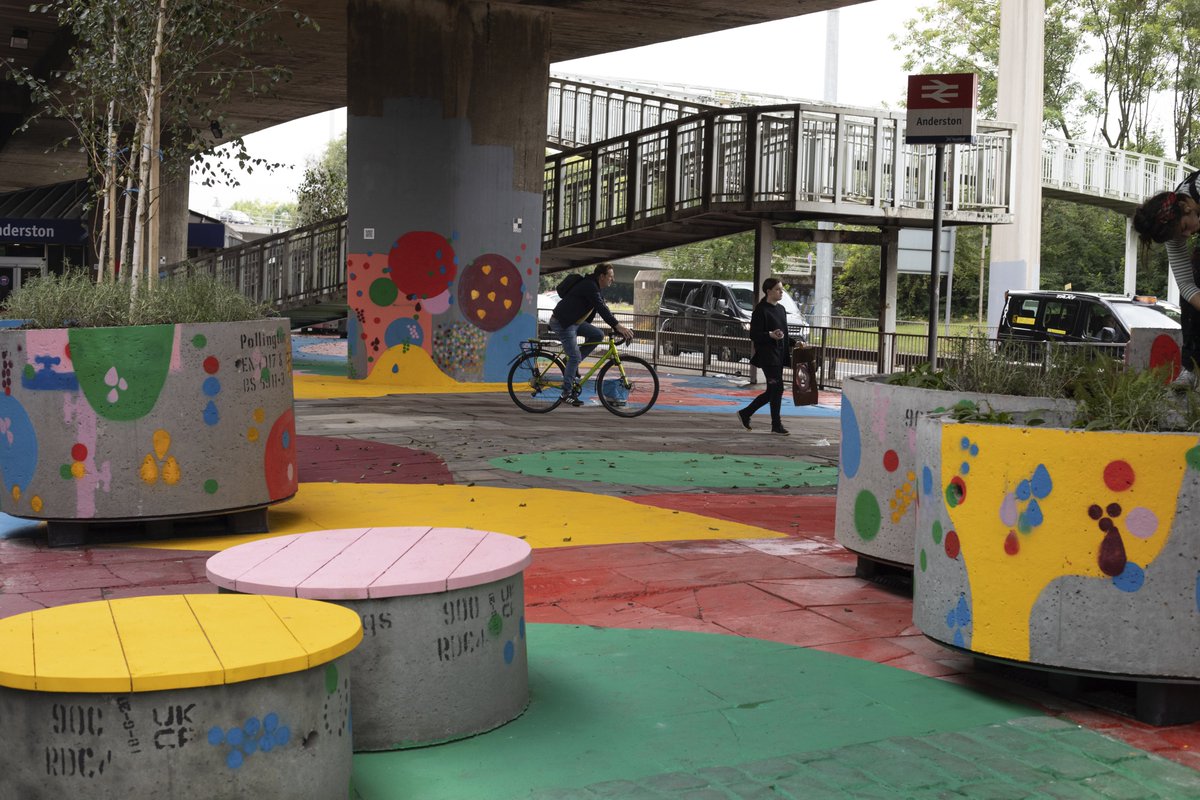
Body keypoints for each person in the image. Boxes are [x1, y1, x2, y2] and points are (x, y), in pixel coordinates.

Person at [1132, 179, 1200, 387]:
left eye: (1185, 227)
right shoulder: (1173, 223)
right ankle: (1191, 367)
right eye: (1180, 234)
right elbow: (1186, 284)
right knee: (1196, 271)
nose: (1187, 235)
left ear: (1186, 207)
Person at [548, 263, 634, 406]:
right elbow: (601, 309)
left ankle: (571, 364)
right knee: (574, 356)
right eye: (610, 276)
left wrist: (617, 325)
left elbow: (604, 307)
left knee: (598, 335)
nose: (613, 279)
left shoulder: (596, 287)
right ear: (602, 276)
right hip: (563, 322)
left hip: (574, 321)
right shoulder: (590, 286)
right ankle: (566, 393)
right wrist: (617, 326)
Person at [736, 277, 793, 435]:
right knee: (776, 389)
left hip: (779, 354)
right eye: (778, 289)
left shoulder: (781, 309)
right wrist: (770, 335)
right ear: (768, 291)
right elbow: (754, 335)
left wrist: (795, 343)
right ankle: (775, 424)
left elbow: (784, 333)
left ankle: (746, 413)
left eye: (781, 289)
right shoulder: (760, 310)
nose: (781, 292)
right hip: (768, 356)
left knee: (774, 390)